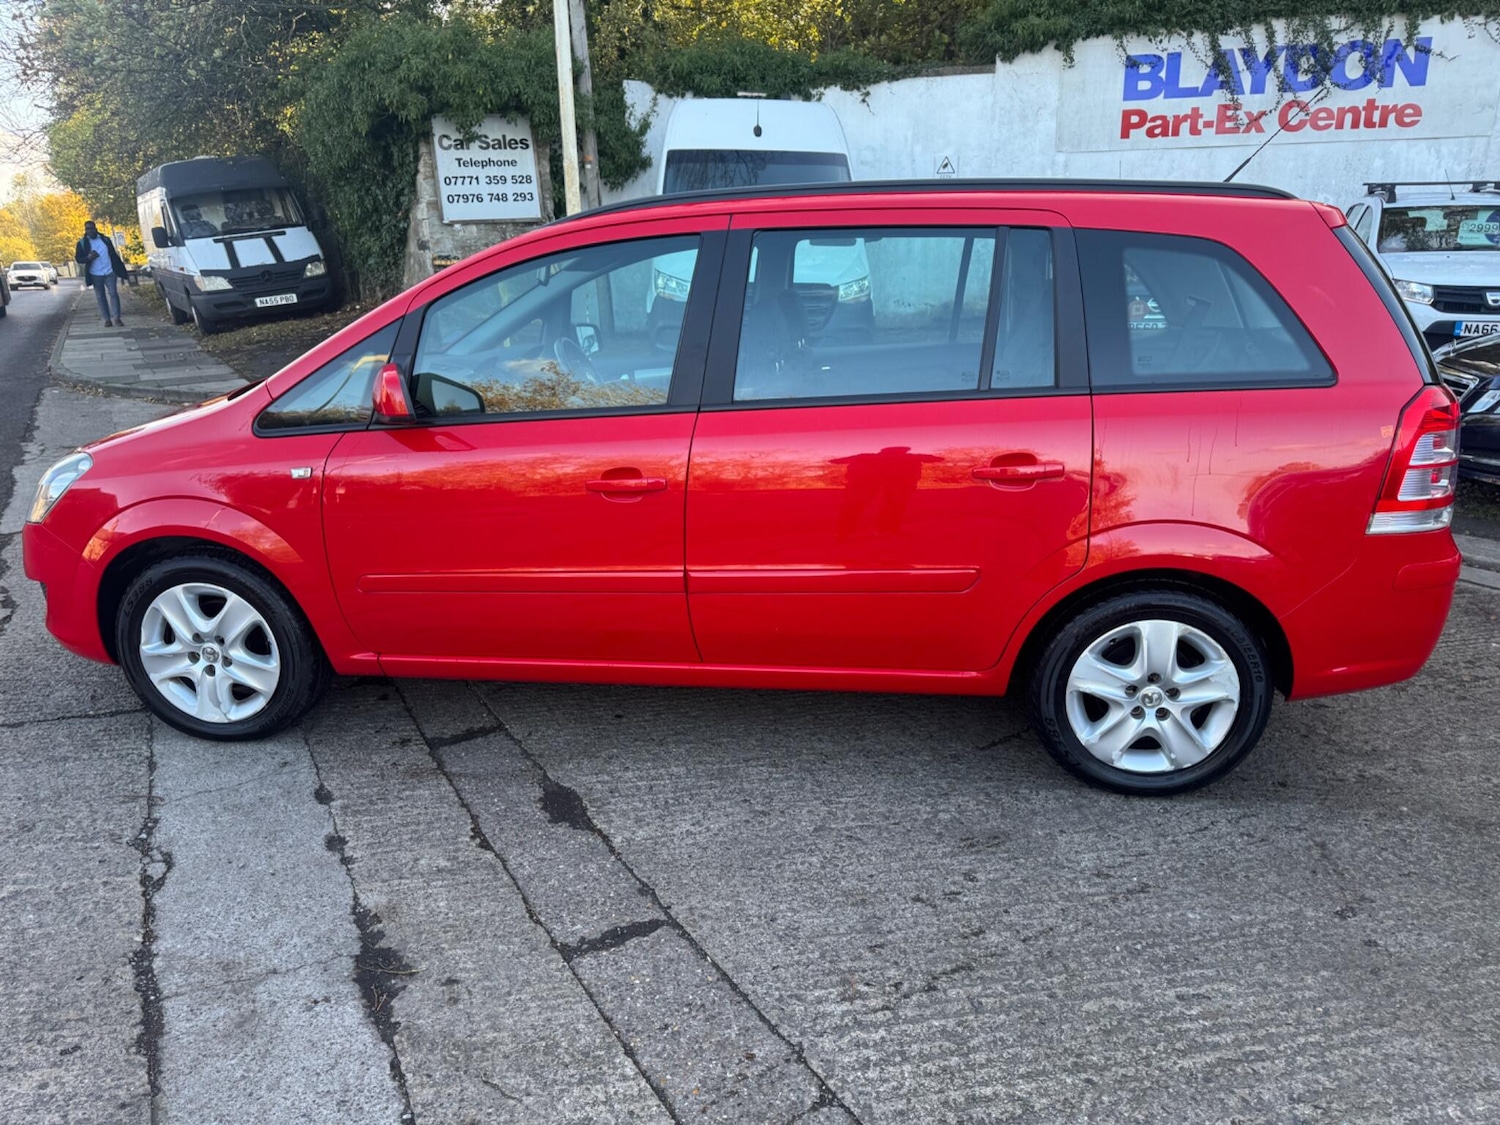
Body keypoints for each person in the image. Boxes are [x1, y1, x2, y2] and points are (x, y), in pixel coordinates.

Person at [75, 220, 129, 327]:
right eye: (87, 229)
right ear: (85, 231)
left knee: (113, 294)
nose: (90, 231)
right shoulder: (82, 243)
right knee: (100, 296)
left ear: (96, 228)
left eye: (92, 228)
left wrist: (119, 268)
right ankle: (107, 319)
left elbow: (113, 254)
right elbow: (78, 259)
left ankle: (117, 318)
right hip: (95, 273)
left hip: (109, 271)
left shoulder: (105, 240)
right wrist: (88, 258)